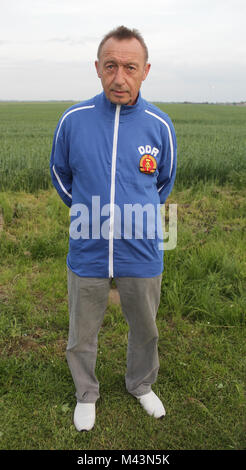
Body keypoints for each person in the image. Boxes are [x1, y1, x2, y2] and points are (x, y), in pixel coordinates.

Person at [50, 25, 177, 432]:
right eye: (110, 66)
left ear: (145, 71)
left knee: (145, 327)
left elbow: (163, 181)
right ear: (98, 68)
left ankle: (141, 384)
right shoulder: (74, 119)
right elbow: (60, 172)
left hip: (141, 249)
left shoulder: (159, 124)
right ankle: (86, 392)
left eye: (129, 67)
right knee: (81, 330)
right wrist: (92, 212)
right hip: (87, 246)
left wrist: (132, 218)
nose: (119, 77)